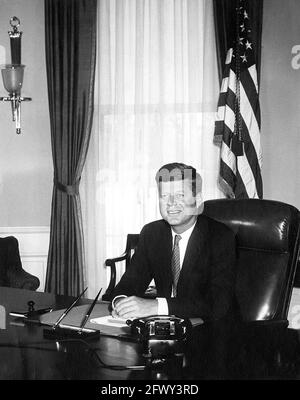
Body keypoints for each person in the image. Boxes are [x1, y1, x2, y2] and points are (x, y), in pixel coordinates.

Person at [110, 162, 236, 320]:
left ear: (197, 199)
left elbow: (217, 304)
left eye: (180, 195)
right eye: (164, 196)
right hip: (167, 329)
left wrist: (158, 306)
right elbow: (130, 282)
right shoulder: (152, 233)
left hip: (210, 332)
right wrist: (121, 303)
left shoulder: (220, 236)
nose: (170, 203)